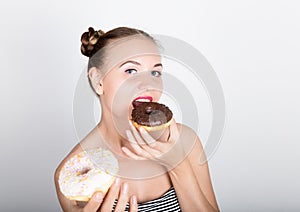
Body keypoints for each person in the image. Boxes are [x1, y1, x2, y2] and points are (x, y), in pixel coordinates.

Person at [54, 26, 220, 212]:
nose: (148, 84)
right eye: (131, 71)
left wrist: (178, 165)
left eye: (155, 73)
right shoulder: (72, 176)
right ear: (97, 80)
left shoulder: (184, 140)